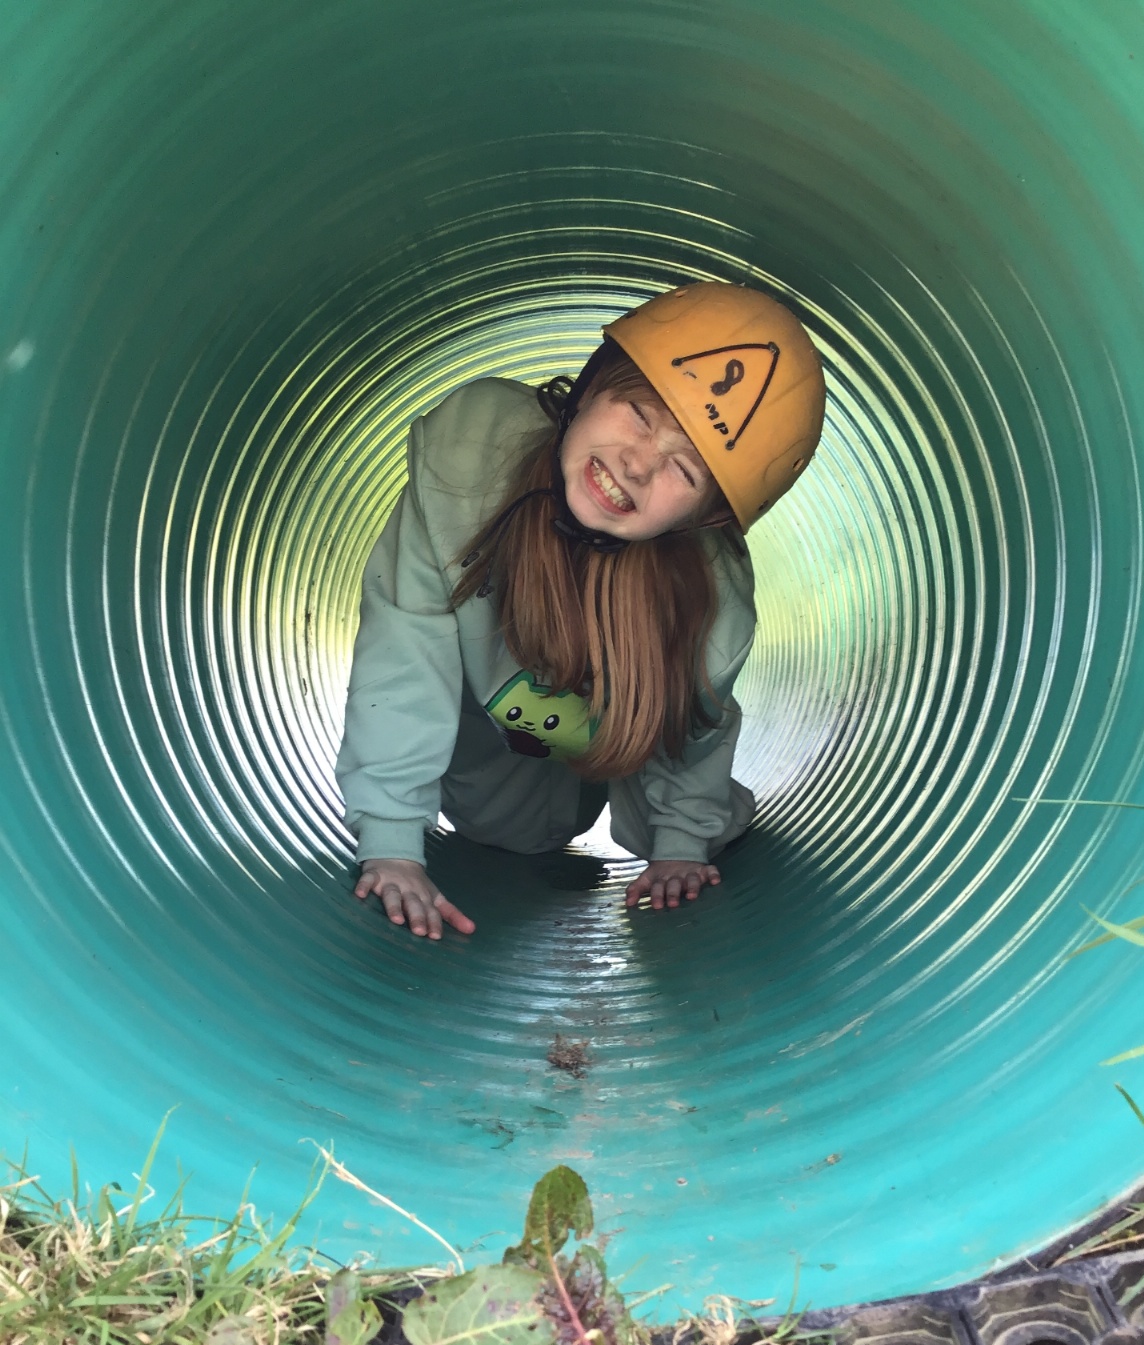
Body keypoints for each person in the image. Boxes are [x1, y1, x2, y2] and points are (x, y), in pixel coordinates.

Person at [336, 281, 825, 939]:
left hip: (625, 731)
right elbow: (404, 651)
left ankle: (656, 805)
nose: (638, 465)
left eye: (685, 470)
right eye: (640, 415)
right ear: (592, 384)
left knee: (681, 827)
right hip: (496, 719)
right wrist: (392, 841)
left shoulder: (713, 607)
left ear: (707, 516)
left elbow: (699, 735)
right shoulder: (467, 468)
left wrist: (681, 844)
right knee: (513, 833)